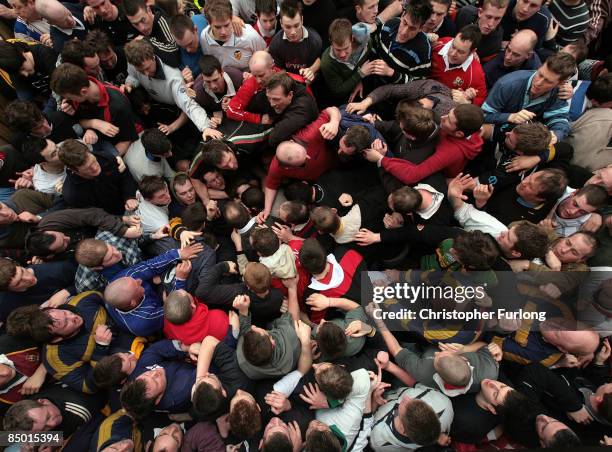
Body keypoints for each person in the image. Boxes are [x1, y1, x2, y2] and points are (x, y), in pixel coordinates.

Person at [103, 243, 203, 336]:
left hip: (158, 298)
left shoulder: (124, 278)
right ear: (133, 303)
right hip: (162, 318)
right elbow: (176, 310)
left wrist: (178, 253)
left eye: (135, 280)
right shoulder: (143, 320)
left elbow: (150, 266)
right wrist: (180, 279)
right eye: (137, 286)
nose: (139, 281)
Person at [261, 108, 340, 221]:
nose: (308, 157)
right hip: (323, 182)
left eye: (304, 152)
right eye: (303, 161)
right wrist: (267, 210)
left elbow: (331, 110)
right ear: (288, 167)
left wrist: (334, 122)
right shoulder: (277, 167)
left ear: (292, 142)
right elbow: (271, 185)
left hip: (338, 161)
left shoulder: (309, 135)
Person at [482, 51, 577, 143]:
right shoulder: (508, 84)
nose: (539, 83)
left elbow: (560, 119)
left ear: (560, 83)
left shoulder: (560, 92)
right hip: (495, 135)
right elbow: (483, 115)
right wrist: (510, 117)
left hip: (527, 141)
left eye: (548, 81)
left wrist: (556, 135)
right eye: (540, 74)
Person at [50, 62, 139, 155]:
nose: (66, 100)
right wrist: (93, 124)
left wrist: (106, 160)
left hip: (118, 143)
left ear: (83, 92)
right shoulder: (76, 91)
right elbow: (75, 121)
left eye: (70, 97)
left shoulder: (118, 106)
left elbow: (127, 140)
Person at [58, 139, 138, 216]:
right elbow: (92, 217)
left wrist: (129, 196)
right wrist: (122, 219)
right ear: (74, 170)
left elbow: (124, 175)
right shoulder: (73, 194)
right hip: (111, 219)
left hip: (131, 200)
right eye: (88, 168)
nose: (95, 168)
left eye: (94, 161)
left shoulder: (105, 157)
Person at [366, 0, 433, 87]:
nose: (404, 32)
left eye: (412, 28)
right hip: (370, 80)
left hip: (392, 95)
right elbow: (372, 51)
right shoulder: (389, 25)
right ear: (402, 15)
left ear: (421, 28)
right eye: (405, 23)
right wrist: (362, 80)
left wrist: (391, 73)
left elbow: (417, 85)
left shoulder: (423, 51)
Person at [430, 24, 488, 105]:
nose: (453, 53)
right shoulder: (438, 44)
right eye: (453, 46)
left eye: (460, 52)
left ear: (472, 52)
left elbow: (482, 100)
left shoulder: (476, 74)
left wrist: (467, 101)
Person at [200, 0, 266, 71]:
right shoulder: (204, 38)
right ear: (208, 23)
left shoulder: (249, 35)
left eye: (226, 25)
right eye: (217, 27)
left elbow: (264, 57)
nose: (223, 32)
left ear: (232, 18)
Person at [268, 0, 323, 83]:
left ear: (302, 20)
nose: (293, 32)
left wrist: (311, 72)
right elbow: (277, 72)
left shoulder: (314, 40)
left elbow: (320, 61)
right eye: (288, 27)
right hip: (285, 83)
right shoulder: (276, 43)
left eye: (296, 25)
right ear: (281, 24)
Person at [123, 0, 181, 68]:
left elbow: (175, 59)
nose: (142, 28)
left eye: (143, 20)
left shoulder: (163, 22)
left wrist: (147, 41)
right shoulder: (130, 25)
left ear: (149, 11)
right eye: (135, 24)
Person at [169, 13, 207, 79]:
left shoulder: (201, 20)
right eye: (183, 46)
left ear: (195, 30)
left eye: (190, 43)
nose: (188, 50)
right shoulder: (180, 57)